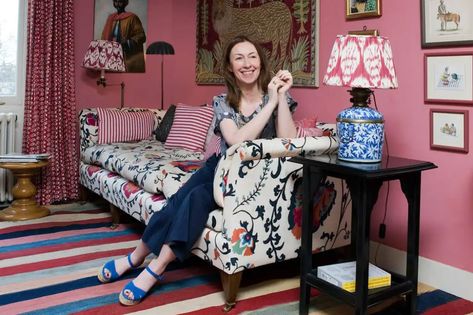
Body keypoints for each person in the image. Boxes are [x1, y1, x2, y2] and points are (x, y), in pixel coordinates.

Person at [96, 35, 298, 306]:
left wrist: (279, 98)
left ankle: (156, 268)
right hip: (221, 168)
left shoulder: (277, 98)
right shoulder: (223, 101)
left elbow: (290, 144)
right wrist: (269, 105)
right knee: (178, 200)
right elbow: (236, 140)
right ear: (229, 67)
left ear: (261, 62)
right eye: (239, 58)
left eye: (252, 56)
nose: (247, 63)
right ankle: (136, 257)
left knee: (193, 199)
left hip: (254, 179)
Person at [101, 0, 146, 72]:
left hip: (125, 54)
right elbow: (104, 36)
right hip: (112, 53)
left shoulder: (132, 17)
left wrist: (128, 42)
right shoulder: (111, 18)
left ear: (125, 3)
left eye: (120, 2)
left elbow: (141, 35)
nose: (118, 4)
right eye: (116, 2)